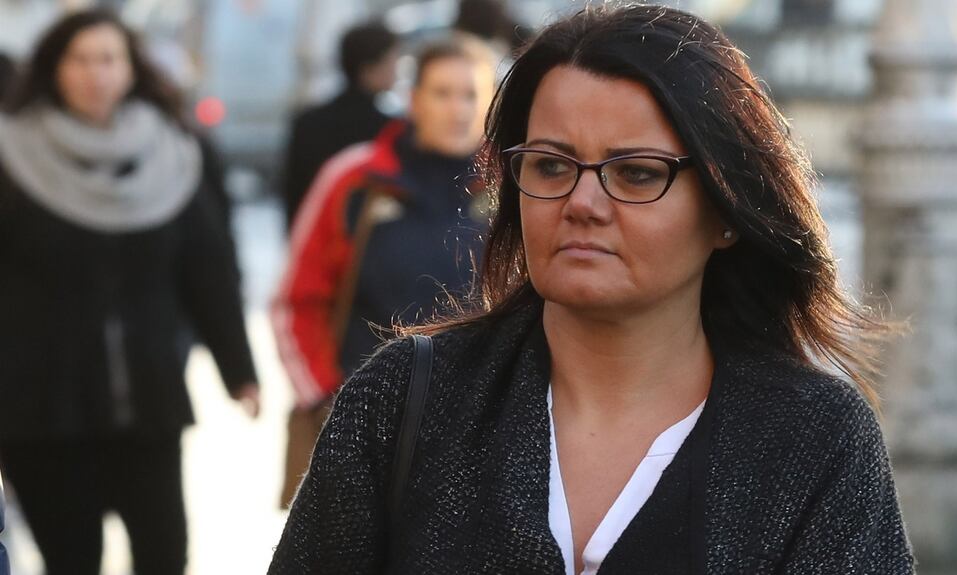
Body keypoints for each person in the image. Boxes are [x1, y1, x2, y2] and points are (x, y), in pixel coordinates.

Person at [269, 5, 914, 574]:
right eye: (550, 166)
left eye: (635, 174)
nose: (582, 202)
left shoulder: (813, 440)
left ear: (724, 210)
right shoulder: (407, 400)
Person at [0, 9, 259, 575]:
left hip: (148, 398)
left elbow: (209, 272)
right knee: (72, 559)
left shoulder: (174, 152)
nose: (97, 74)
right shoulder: (11, 156)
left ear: (131, 68)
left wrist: (239, 369)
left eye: (109, 59)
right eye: (82, 59)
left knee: (164, 552)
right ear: (54, 68)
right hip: (42, 403)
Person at [272, 35, 495, 508]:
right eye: (442, 92)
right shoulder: (355, 179)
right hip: (362, 423)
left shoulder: (514, 187)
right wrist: (324, 398)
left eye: (471, 93)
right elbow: (296, 300)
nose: (458, 108)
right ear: (413, 100)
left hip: (478, 431)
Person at [281, 20, 399, 228]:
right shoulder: (389, 130)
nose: (396, 70)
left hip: (314, 238)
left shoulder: (306, 122)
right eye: (392, 62)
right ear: (370, 69)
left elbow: (292, 197)